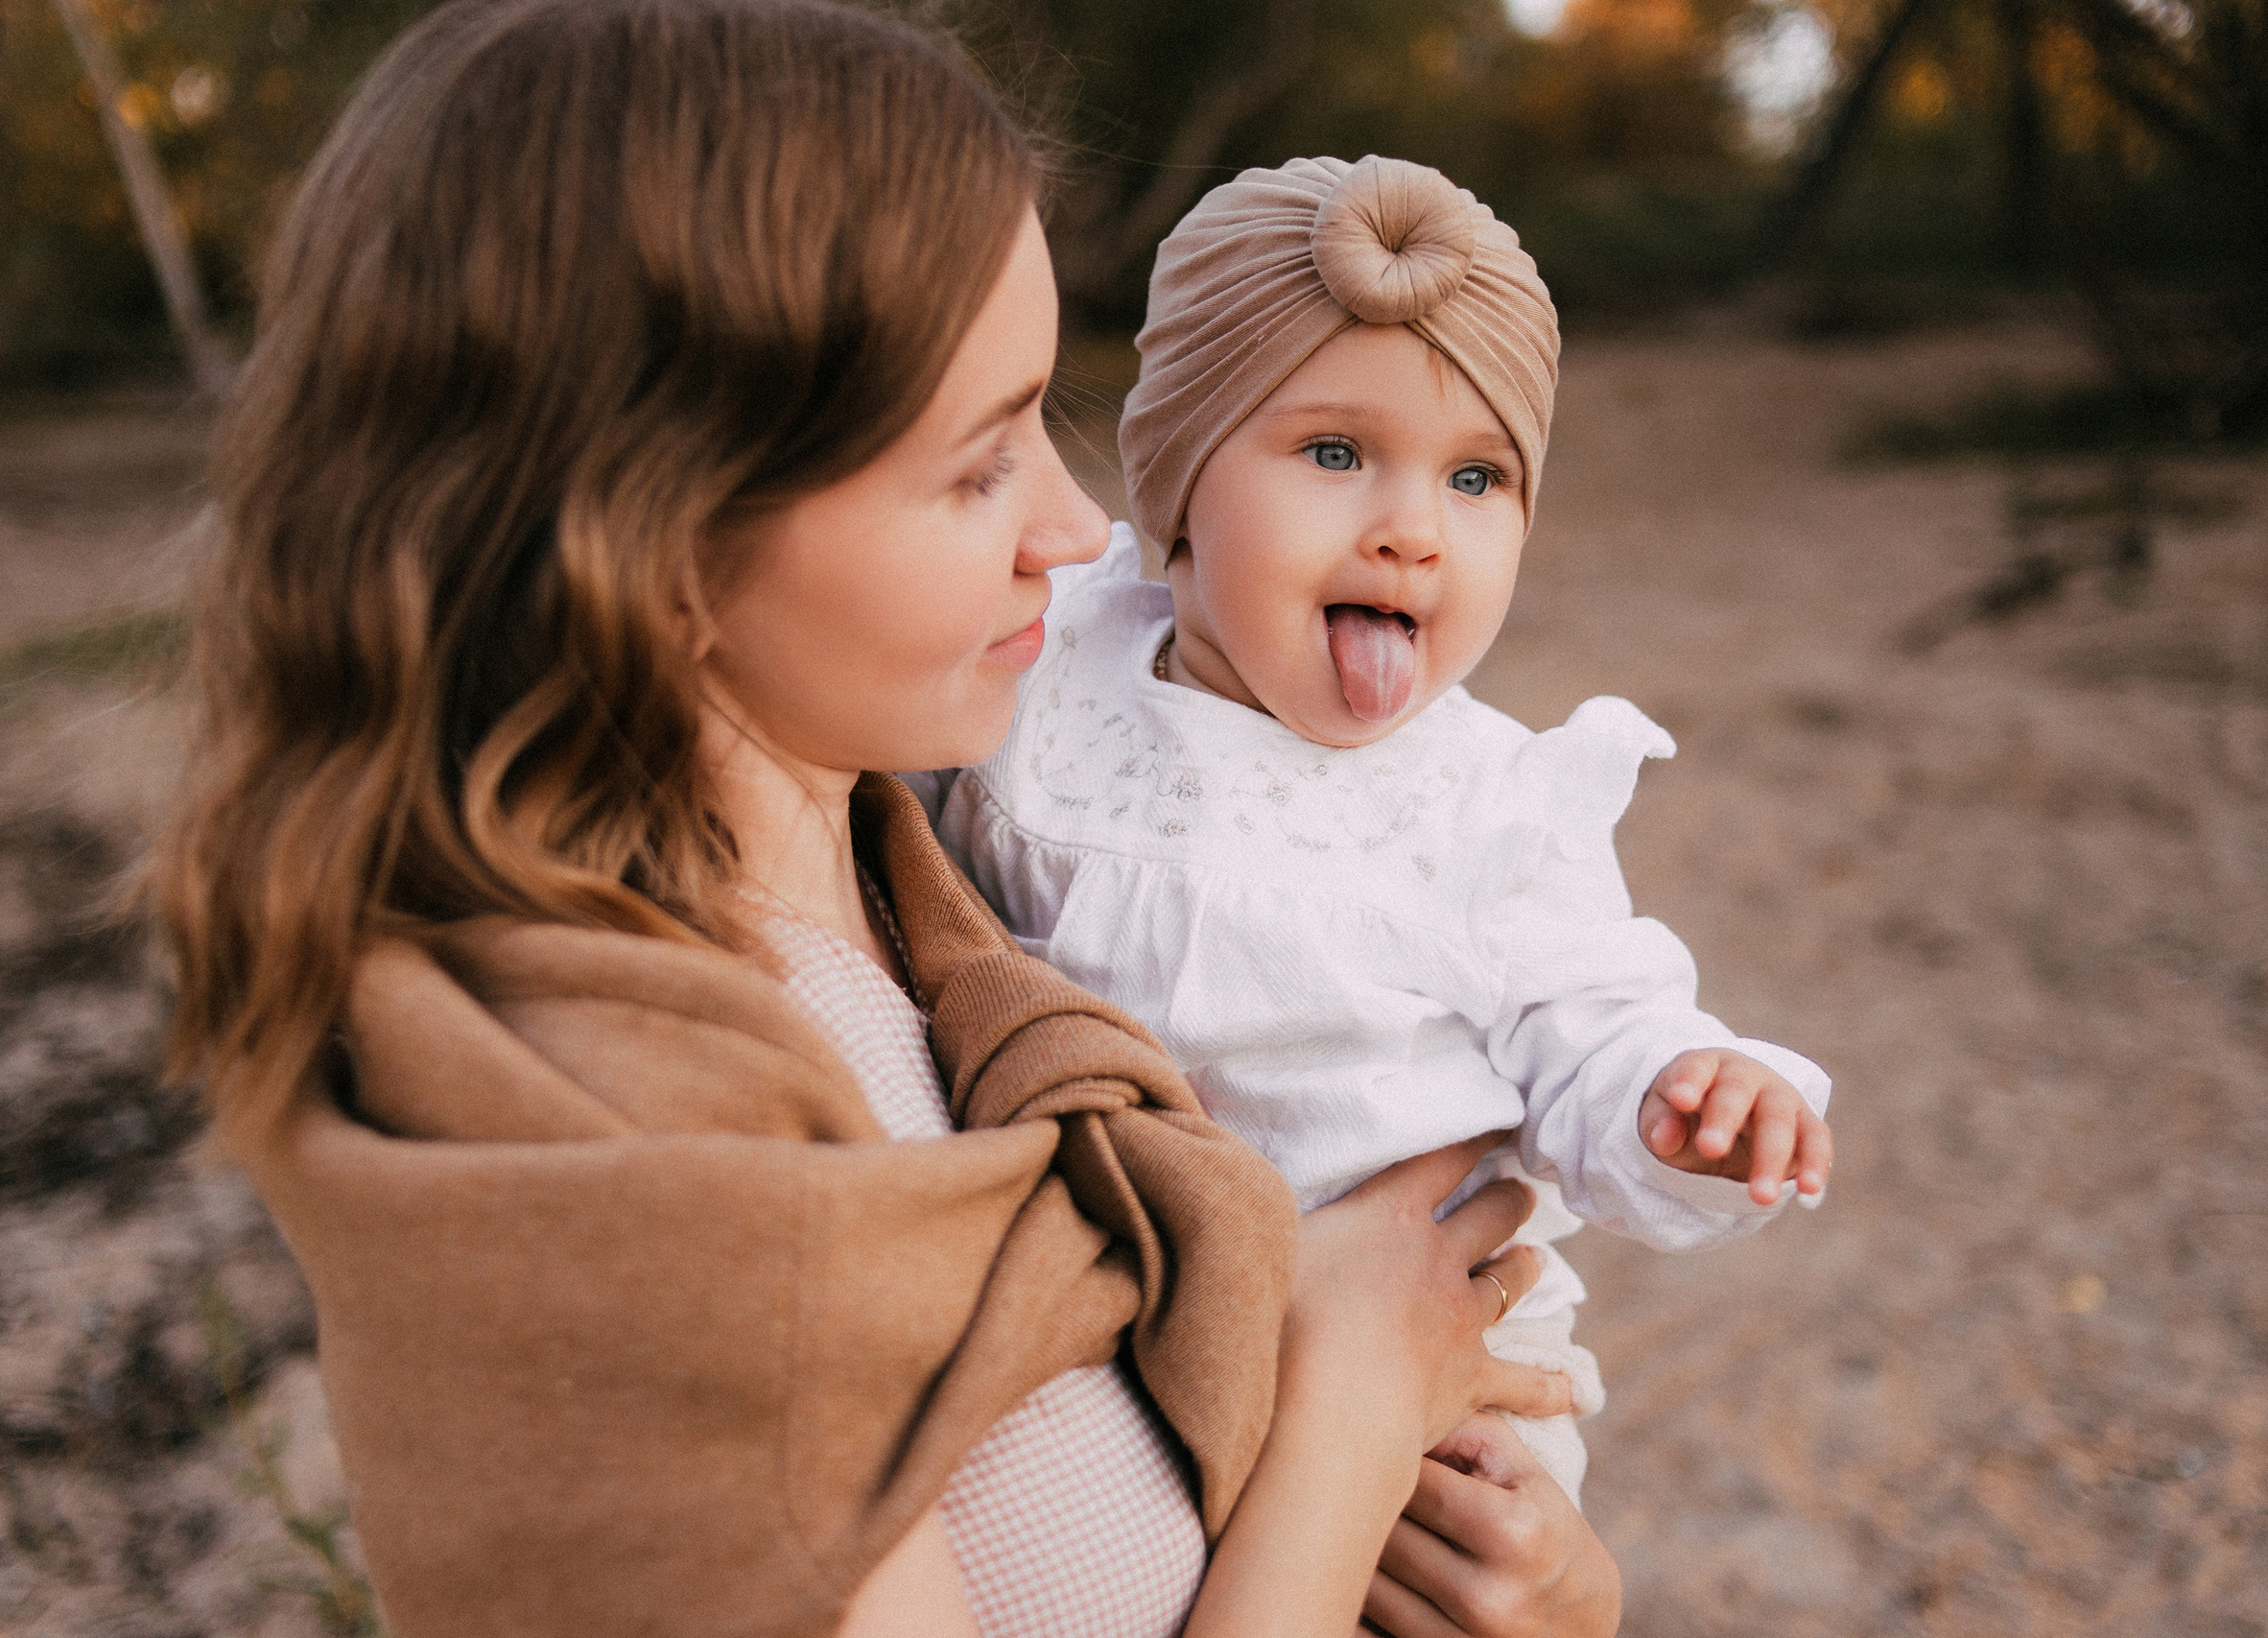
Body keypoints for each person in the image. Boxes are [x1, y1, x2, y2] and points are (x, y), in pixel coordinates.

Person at [154, 4, 1624, 1634]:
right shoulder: (619, 1191)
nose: (1078, 532)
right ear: (655, 529)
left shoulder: (953, 880)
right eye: (979, 463)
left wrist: (1547, 1591)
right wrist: (1345, 1405)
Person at [937, 155, 1838, 1506]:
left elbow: (1591, 1026)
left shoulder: (1492, 806)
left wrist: (1675, 1100)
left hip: (1424, 1380)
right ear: (1178, 477)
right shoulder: (1049, 667)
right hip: (1115, 1317)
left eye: (1478, 478)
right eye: (1336, 453)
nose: (1413, 531)